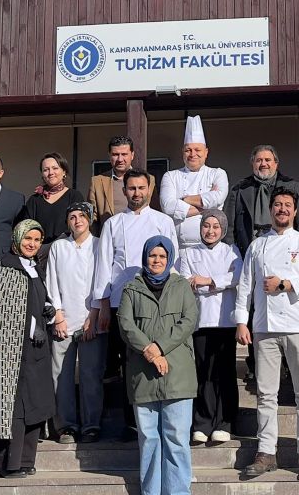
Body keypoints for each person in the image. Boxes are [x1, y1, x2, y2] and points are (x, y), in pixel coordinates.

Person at [235, 188, 299, 478]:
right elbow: (244, 286)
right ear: (271, 210)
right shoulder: (257, 246)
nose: (282, 209)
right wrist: (241, 321)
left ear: (295, 211)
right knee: (265, 392)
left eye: (287, 205)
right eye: (277, 205)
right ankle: (265, 451)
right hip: (265, 327)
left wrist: (286, 283)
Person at [91, 169, 176, 440]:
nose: (136, 193)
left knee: (155, 356)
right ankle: (131, 422)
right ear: (124, 191)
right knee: (128, 362)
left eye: (141, 188)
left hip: (157, 302)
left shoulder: (163, 221)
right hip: (120, 301)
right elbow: (103, 265)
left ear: (149, 190)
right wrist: (103, 305)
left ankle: (158, 417)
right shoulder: (113, 224)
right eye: (131, 188)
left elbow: (172, 265)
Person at [118, 235, 200, 495]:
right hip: (143, 375)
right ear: (145, 257)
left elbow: (189, 320)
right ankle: (151, 491)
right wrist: (150, 352)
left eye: (162, 256)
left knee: (176, 438)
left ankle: (178, 492)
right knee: (150, 439)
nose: (157, 260)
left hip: (178, 375)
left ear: (170, 259)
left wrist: (160, 348)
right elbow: (126, 324)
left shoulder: (182, 286)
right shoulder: (132, 288)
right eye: (153, 255)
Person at [0, 220, 57, 478]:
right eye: (28, 239)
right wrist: (30, 324)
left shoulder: (33, 267)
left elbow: (33, 301)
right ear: (17, 239)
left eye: (37, 240)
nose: (32, 244)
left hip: (36, 348)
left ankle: (25, 460)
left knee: (35, 404)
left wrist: (47, 311)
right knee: (13, 407)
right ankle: (6, 464)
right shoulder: (4, 267)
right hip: (11, 350)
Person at [175, 209, 242, 445]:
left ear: (222, 230)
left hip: (225, 321)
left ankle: (225, 422)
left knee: (224, 372)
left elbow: (237, 278)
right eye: (206, 225)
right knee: (203, 373)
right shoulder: (187, 253)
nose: (210, 230)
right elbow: (185, 282)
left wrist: (209, 280)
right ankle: (202, 422)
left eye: (215, 226)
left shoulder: (231, 251)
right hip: (200, 321)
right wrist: (216, 283)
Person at [46, 202, 106, 443]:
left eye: (82, 216)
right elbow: (52, 281)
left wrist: (94, 315)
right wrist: (57, 315)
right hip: (64, 321)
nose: (77, 220)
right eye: (72, 217)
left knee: (92, 375)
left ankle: (91, 424)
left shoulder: (100, 245)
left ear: (90, 219)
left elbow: (103, 283)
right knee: (60, 376)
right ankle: (66, 426)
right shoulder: (59, 247)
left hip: (92, 321)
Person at [160, 115, 229, 248]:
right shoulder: (170, 176)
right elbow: (168, 207)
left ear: (206, 152)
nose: (193, 154)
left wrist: (185, 200)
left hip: (211, 247)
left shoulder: (217, 173)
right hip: (179, 247)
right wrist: (209, 208)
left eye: (197, 150)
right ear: (182, 152)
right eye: (188, 150)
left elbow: (218, 197)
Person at [226, 144, 299, 252]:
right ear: (253, 163)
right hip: (248, 249)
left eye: (267, 160)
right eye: (259, 160)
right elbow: (229, 225)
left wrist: (296, 248)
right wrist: (232, 252)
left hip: (283, 247)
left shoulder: (291, 186)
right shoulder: (239, 189)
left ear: (276, 163)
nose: (263, 164)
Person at [22, 152, 86, 278]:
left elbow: (79, 228)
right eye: (46, 169)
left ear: (64, 172)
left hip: (67, 258)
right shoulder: (34, 200)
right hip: (39, 260)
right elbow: (27, 229)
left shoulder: (74, 196)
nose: (50, 172)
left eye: (55, 168)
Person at [88, 135, 156, 235]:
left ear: (132, 155)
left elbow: (155, 211)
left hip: (141, 236)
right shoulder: (97, 182)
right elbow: (92, 218)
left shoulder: (148, 180)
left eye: (124, 154)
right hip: (110, 239)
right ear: (109, 155)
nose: (120, 159)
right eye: (115, 154)